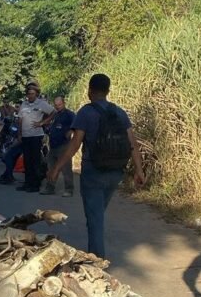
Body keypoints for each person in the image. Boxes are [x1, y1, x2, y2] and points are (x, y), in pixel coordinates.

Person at [45, 73, 145, 259]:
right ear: (108, 91)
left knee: (95, 219)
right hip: (115, 173)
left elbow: (74, 145)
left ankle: (97, 261)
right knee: (97, 213)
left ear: (90, 90)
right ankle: (96, 255)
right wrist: (139, 170)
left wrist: (56, 168)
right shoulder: (119, 112)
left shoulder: (86, 112)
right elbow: (133, 143)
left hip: (93, 173)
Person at [17, 81, 54, 193]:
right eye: (29, 94)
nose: (30, 96)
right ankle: (27, 183)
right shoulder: (24, 104)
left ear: (36, 94)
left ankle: (35, 185)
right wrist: (19, 133)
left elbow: (53, 112)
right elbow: (20, 119)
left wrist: (42, 123)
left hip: (36, 136)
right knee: (27, 161)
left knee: (35, 161)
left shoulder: (41, 104)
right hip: (25, 136)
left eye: (33, 93)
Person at [41, 94, 75, 196]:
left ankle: (69, 189)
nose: (57, 106)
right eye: (56, 105)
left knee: (66, 168)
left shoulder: (69, 114)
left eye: (59, 104)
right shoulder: (56, 114)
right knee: (51, 167)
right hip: (53, 145)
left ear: (63, 103)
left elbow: (77, 123)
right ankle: (50, 187)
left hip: (63, 145)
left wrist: (70, 131)